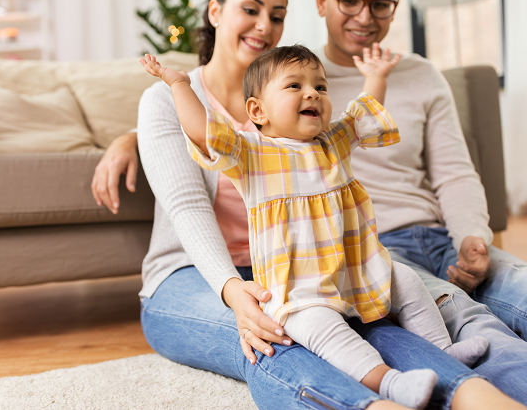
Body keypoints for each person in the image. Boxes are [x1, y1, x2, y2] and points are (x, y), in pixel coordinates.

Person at [93, 0, 527, 410]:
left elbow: (360, 116)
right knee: (275, 337)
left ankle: (468, 394)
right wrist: (230, 289)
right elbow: (188, 206)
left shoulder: (300, 119)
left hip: (300, 269)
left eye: (277, 15)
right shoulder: (175, 103)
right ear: (216, 12)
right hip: (195, 276)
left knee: (378, 321)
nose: (265, 25)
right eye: (251, 9)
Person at [311, 0, 527, 409]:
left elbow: (454, 172)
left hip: (440, 236)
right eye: (349, 1)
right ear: (322, 1)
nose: (365, 17)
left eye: (380, 3)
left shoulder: (422, 74)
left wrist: (471, 235)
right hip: (375, 253)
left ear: (395, 6)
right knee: (470, 324)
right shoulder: (297, 82)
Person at [139, 43, 490, 409]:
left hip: (353, 273)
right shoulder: (251, 154)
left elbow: (363, 114)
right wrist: (179, 84)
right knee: (328, 333)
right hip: (298, 292)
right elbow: (203, 132)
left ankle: (445, 352)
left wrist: (376, 76)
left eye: (320, 87)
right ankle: (389, 384)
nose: (312, 93)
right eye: (295, 86)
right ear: (258, 110)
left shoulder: (332, 143)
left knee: (408, 282)